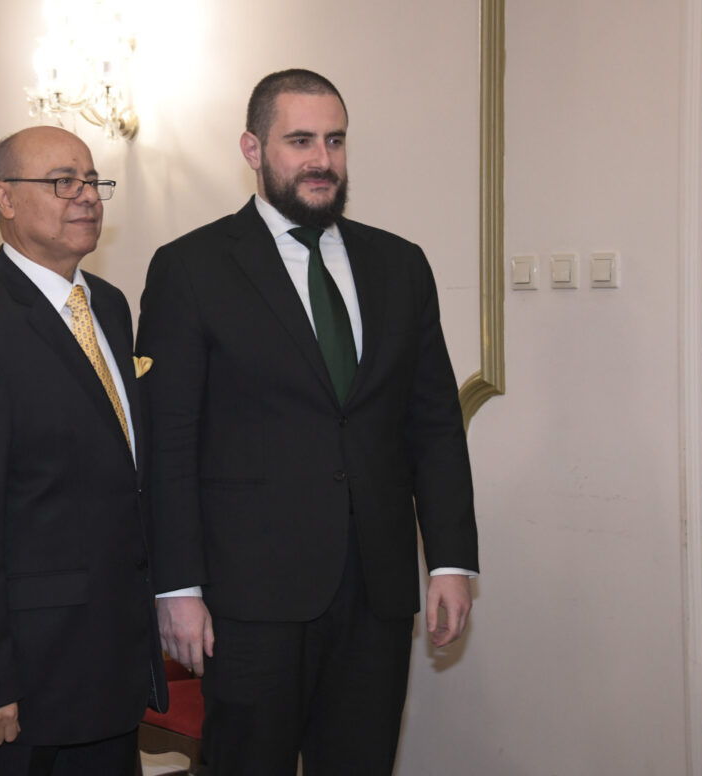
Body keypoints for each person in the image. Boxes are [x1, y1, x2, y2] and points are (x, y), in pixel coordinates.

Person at [136, 69, 480, 775]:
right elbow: (167, 443)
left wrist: (450, 560)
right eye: (300, 141)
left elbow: (435, 425)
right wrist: (177, 587)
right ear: (253, 150)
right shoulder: (190, 269)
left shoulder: (400, 265)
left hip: (377, 592)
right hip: (248, 599)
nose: (322, 159)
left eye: (335, 140)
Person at [0, 125, 166, 776]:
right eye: (62, 182)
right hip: (18, 691)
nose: (87, 197)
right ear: (5, 197)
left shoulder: (109, 308)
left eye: (93, 181)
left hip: (108, 672)